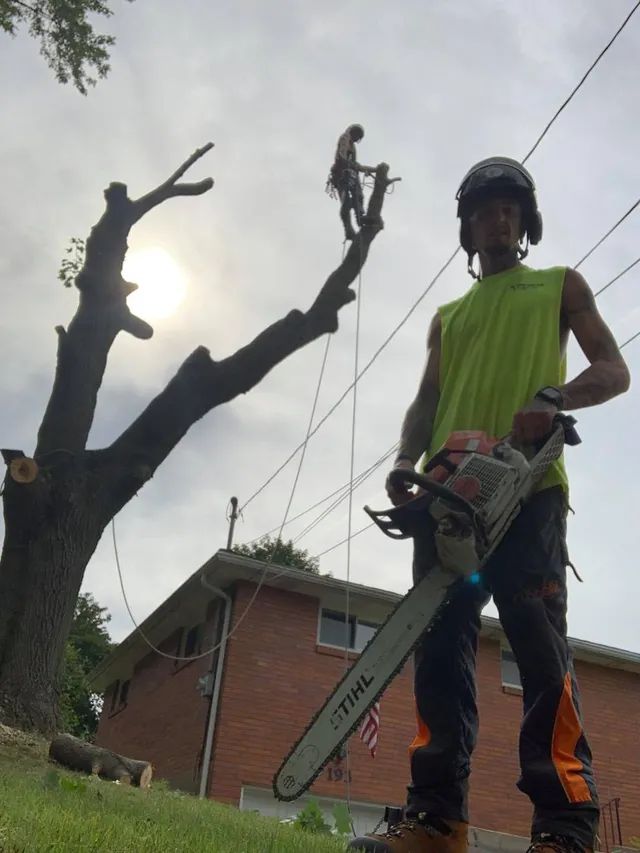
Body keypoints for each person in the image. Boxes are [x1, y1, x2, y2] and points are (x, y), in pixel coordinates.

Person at [349, 157, 630, 853]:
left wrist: (555, 399)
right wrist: (405, 461)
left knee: (540, 651)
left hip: (527, 493)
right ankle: (437, 819)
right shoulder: (449, 318)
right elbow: (426, 401)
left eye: (508, 207)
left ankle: (565, 825)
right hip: (448, 501)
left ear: (524, 221)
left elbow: (613, 369)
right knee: (438, 654)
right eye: (483, 210)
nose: (496, 219)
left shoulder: (559, 286)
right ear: (467, 229)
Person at [328, 124, 377, 241]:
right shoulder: (345, 138)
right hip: (341, 173)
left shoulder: (353, 147)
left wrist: (374, 170)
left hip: (348, 172)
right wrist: (348, 163)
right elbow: (341, 154)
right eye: (356, 135)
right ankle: (349, 227)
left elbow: (356, 165)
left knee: (358, 193)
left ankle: (360, 215)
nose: (356, 138)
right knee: (347, 199)